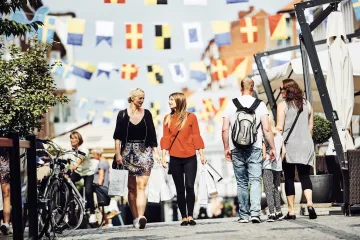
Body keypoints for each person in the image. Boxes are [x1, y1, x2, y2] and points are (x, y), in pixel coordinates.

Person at [222, 78, 276, 224]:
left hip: (236, 148)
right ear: (252, 88)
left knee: (241, 182)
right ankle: (255, 214)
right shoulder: (260, 105)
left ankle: (244, 215)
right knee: (255, 180)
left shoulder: (231, 104)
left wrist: (227, 148)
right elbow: (266, 128)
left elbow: (225, 128)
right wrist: (272, 147)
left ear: (241, 88)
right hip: (255, 147)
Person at [113, 88, 160, 229]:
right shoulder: (121, 115)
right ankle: (135, 218)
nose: (142, 100)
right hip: (126, 152)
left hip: (144, 152)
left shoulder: (147, 114)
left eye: (143, 98)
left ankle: (140, 217)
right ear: (132, 98)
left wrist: (156, 153)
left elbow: (152, 135)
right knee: (132, 188)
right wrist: (118, 154)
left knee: (142, 186)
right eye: (140, 98)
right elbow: (117, 137)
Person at [160, 92, 206, 226]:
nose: (169, 102)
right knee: (179, 189)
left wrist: (201, 155)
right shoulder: (167, 118)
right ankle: (184, 217)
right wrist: (164, 157)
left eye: (172, 100)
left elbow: (196, 136)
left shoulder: (191, 117)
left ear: (179, 101)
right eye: (169, 100)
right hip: (174, 158)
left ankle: (191, 215)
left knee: (190, 186)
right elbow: (166, 139)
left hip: (190, 157)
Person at [276, 79, 317, 220]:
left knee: (289, 177)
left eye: (282, 89)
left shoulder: (283, 106)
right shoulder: (307, 104)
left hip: (289, 146)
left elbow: (280, 129)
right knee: (305, 175)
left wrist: (278, 145)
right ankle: (310, 203)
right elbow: (310, 127)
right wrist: (305, 139)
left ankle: (291, 211)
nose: (280, 91)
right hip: (306, 144)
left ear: (289, 90)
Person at [68, 131, 97, 224]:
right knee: (68, 183)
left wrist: (75, 166)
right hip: (78, 172)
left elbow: (80, 159)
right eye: (71, 138)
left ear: (79, 139)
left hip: (88, 173)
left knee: (88, 191)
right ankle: (72, 205)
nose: (72, 140)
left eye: (74, 138)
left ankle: (92, 213)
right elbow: (67, 159)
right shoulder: (71, 150)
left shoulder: (83, 149)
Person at [262, 116, 283, 222]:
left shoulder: (264, 137)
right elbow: (283, 152)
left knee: (268, 189)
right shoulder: (279, 135)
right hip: (278, 166)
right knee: (275, 188)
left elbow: (263, 154)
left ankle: (271, 213)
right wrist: (279, 161)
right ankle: (279, 211)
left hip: (267, 165)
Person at [0, 148, 12, 235]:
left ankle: (4, 224)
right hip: (3, 158)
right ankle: (6, 223)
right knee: (6, 194)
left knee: (6, 193)